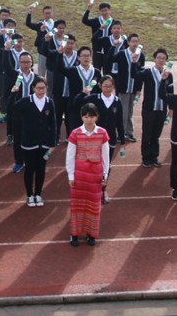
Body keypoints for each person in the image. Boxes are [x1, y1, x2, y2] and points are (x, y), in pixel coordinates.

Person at [66, 103, 110, 247]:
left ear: (96, 117)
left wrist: (105, 175)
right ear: (81, 117)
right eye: (85, 116)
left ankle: (92, 234)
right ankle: (75, 234)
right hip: (79, 176)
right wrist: (71, 176)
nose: (88, 119)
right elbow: (70, 156)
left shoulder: (102, 133)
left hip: (95, 176)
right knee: (77, 206)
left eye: (91, 116)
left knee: (93, 206)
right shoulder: (75, 133)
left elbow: (105, 157)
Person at [78, 75, 124, 204]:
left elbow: (120, 122)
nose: (108, 88)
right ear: (100, 87)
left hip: (110, 140)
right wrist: (83, 93)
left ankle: (103, 190)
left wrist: (123, 142)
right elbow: (76, 103)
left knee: (106, 165)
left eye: (110, 86)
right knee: (92, 164)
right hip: (94, 139)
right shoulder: (94, 99)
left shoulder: (117, 101)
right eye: (105, 86)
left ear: (114, 87)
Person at [13, 77, 57, 207]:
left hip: (44, 143)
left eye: (43, 88)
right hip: (28, 143)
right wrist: (14, 92)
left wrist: (52, 143)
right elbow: (13, 107)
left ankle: (38, 194)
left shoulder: (50, 102)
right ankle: (29, 195)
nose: (41, 90)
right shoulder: (26, 101)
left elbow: (53, 123)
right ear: (33, 88)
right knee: (29, 169)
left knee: (41, 169)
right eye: (38, 88)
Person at [135, 48, 174, 168]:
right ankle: (146, 158)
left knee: (156, 135)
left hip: (161, 109)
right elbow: (134, 75)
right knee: (147, 134)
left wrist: (171, 110)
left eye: (163, 58)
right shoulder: (147, 73)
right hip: (148, 108)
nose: (161, 60)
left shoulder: (168, 75)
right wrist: (134, 62)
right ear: (154, 59)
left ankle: (154, 157)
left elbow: (170, 93)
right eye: (159, 58)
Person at [106, 33, 145, 143]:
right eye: (133, 41)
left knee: (130, 111)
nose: (135, 44)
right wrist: (113, 46)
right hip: (123, 88)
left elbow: (141, 75)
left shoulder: (140, 55)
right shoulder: (122, 54)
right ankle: (121, 133)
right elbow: (109, 60)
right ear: (128, 43)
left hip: (133, 88)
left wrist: (138, 89)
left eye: (137, 41)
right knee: (123, 111)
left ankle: (130, 132)